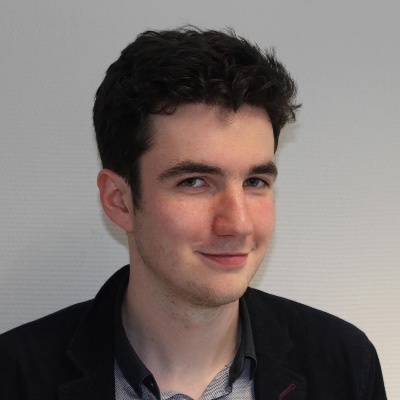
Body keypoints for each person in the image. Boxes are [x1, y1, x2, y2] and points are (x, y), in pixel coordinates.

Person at [0, 27, 387, 400]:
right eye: (195, 182)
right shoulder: (14, 376)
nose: (238, 224)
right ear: (119, 201)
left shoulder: (345, 365)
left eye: (254, 181)